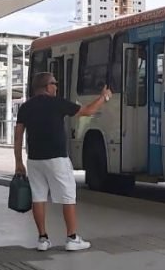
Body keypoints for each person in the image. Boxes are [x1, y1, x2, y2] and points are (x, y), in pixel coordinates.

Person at [14, 71, 112, 252]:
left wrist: (18, 162)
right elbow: (87, 111)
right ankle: (72, 238)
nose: (56, 86)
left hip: (35, 160)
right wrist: (103, 97)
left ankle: (43, 239)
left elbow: (18, 136)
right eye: (54, 83)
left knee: (38, 197)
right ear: (46, 86)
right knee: (68, 197)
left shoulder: (25, 107)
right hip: (56, 158)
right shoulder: (56, 103)